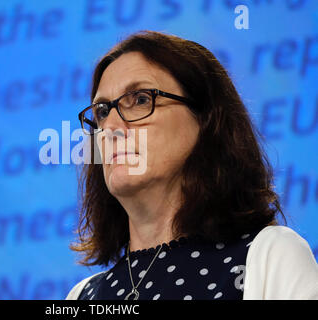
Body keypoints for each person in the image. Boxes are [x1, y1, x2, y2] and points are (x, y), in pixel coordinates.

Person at [65, 30, 318, 300]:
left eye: (140, 99)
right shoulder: (82, 296)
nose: (111, 127)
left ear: (206, 120)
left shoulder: (270, 257)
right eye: (102, 112)